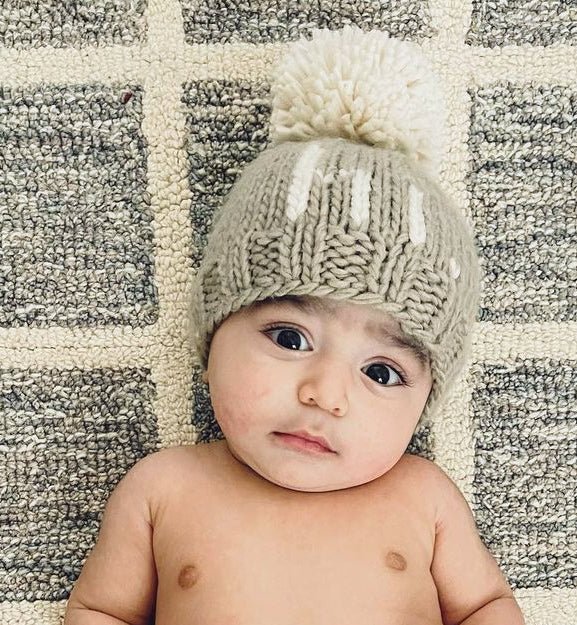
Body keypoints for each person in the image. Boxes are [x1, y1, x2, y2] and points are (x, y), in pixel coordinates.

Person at [64, 25, 525, 625]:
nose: (325, 394)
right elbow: (102, 609)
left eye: (382, 372)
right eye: (289, 338)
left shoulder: (423, 497)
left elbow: (486, 605)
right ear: (212, 338)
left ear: (425, 403)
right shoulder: (163, 488)